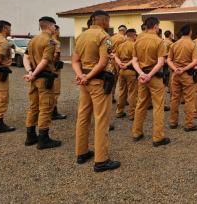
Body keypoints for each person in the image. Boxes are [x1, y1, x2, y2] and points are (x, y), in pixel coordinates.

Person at [72, 10, 120, 172]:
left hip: (85, 81)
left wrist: (81, 76)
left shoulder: (80, 36)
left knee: (83, 117)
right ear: (104, 21)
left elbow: (75, 61)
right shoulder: (104, 37)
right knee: (101, 120)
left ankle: (82, 152)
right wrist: (88, 76)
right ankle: (101, 160)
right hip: (98, 81)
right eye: (108, 21)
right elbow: (102, 62)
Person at [23, 16, 61, 149]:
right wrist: (34, 73)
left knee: (33, 107)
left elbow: (25, 57)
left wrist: (29, 72)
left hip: (34, 79)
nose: (55, 29)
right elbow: (45, 61)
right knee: (45, 107)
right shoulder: (50, 42)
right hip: (44, 78)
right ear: (50, 26)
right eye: (54, 27)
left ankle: (30, 136)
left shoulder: (32, 40)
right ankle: (43, 139)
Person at [131, 17, 170, 147]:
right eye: (158, 26)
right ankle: (158, 137)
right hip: (154, 77)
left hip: (142, 77)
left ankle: (136, 133)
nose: (158, 28)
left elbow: (134, 61)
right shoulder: (159, 41)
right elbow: (160, 62)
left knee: (140, 104)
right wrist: (149, 75)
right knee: (158, 106)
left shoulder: (137, 41)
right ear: (155, 26)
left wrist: (142, 74)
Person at [167, 24, 197, 131]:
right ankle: (189, 124)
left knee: (174, 98)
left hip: (175, 75)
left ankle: (173, 122)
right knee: (189, 99)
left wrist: (175, 68)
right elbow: (196, 61)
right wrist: (185, 69)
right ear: (190, 32)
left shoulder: (174, 44)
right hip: (187, 75)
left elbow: (168, 59)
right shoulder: (193, 45)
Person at [114, 28, 138, 120]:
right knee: (132, 93)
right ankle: (132, 114)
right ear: (134, 35)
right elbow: (135, 59)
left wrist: (120, 64)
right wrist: (127, 65)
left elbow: (115, 56)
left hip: (121, 71)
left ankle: (119, 111)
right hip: (131, 71)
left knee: (122, 92)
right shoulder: (134, 45)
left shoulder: (120, 45)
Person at [51, 25, 67, 120]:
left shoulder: (40, 39)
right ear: (55, 31)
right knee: (55, 91)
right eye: (58, 30)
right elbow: (55, 55)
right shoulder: (56, 42)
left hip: (43, 70)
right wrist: (55, 63)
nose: (59, 32)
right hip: (54, 70)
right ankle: (53, 112)